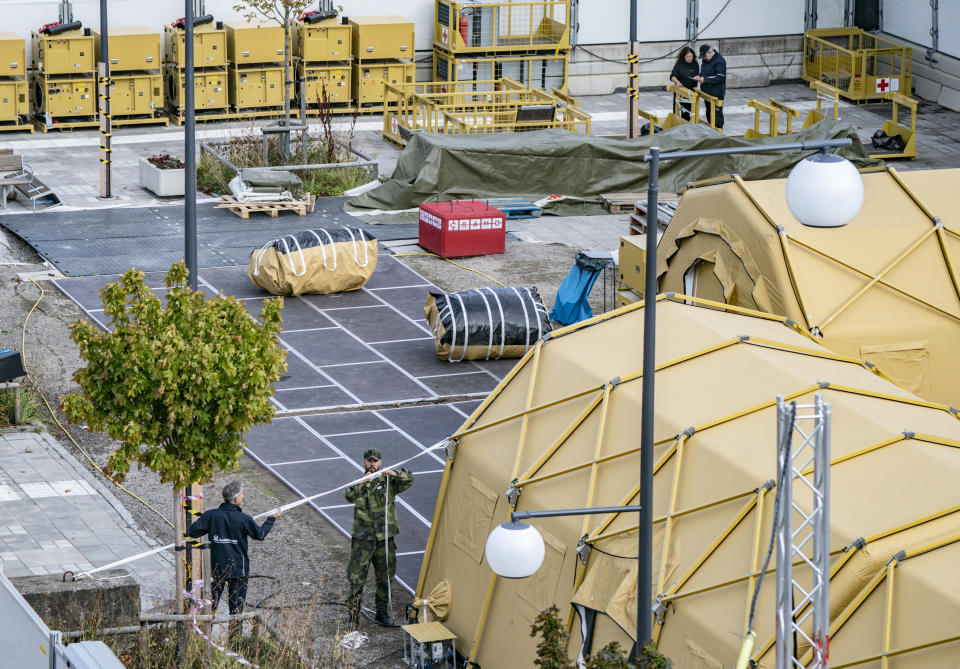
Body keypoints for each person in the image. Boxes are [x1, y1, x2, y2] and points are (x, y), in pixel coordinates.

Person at [187, 481, 281, 641]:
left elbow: (192, 532)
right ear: (236, 499)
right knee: (236, 609)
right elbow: (260, 534)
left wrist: (211, 529)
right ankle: (235, 641)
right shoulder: (244, 519)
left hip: (217, 569)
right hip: (239, 570)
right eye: (242, 494)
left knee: (211, 605)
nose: (243, 496)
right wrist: (271, 519)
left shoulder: (211, 515)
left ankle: (202, 637)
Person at [344, 448, 414, 627]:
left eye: (375, 461)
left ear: (381, 462)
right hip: (363, 540)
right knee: (357, 578)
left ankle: (382, 613)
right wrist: (363, 483)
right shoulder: (359, 482)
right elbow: (348, 495)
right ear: (364, 462)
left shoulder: (389, 481)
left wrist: (393, 472)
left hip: (385, 539)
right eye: (369, 461)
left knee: (386, 578)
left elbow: (409, 479)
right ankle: (353, 617)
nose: (372, 464)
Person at [695, 44, 727, 130]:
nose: (704, 58)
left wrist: (704, 79)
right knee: (709, 112)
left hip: (716, 93)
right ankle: (711, 129)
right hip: (707, 92)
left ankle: (718, 131)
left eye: (705, 56)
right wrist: (699, 77)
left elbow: (720, 77)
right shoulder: (705, 60)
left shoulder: (719, 61)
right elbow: (704, 72)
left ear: (710, 52)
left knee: (717, 114)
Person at [670, 46, 700, 121]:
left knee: (688, 113)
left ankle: (686, 125)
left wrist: (698, 77)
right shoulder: (679, 65)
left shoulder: (695, 64)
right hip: (681, 91)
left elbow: (698, 74)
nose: (689, 58)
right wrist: (677, 82)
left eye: (690, 56)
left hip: (691, 92)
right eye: (687, 57)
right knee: (678, 111)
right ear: (683, 57)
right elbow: (672, 76)